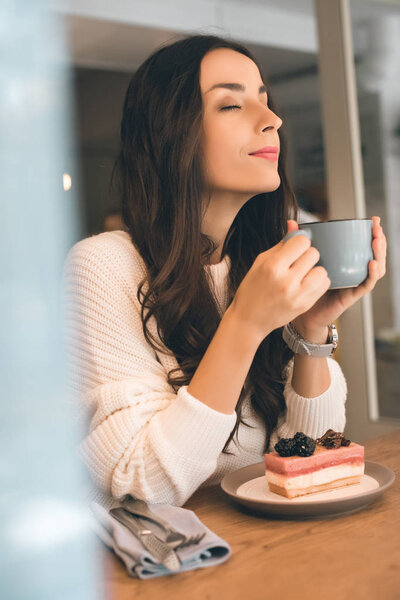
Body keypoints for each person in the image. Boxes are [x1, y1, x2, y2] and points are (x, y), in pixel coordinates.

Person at [62, 35, 387, 509]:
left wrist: (311, 329)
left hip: (262, 557)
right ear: (172, 133)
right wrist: (246, 323)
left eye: (265, 100)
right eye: (231, 105)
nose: (272, 120)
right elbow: (145, 485)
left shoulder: (256, 264)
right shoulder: (102, 266)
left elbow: (308, 465)